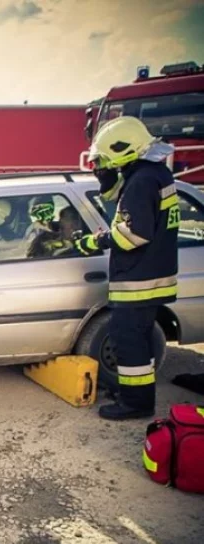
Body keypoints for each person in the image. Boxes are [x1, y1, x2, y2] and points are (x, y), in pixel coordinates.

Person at [74, 116, 179, 420]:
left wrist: (95, 242)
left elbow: (134, 235)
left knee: (129, 342)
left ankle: (136, 404)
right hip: (153, 276)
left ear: (124, 150)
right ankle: (137, 394)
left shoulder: (141, 181)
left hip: (138, 280)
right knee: (140, 343)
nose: (103, 167)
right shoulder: (157, 174)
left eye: (106, 159)